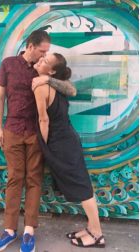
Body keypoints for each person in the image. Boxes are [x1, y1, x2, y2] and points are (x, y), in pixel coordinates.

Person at [0, 30, 76, 252]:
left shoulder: (44, 70)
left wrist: (48, 78)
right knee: (14, 179)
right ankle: (9, 230)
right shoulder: (9, 64)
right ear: (30, 46)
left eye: (47, 53)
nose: (44, 56)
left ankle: (29, 231)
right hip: (12, 130)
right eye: (42, 51)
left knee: (34, 180)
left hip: (37, 133)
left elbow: (70, 89)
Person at [33, 52, 105, 248]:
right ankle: (91, 228)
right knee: (82, 184)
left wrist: (45, 147)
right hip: (68, 139)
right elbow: (69, 89)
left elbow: (43, 120)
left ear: (52, 71)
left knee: (82, 187)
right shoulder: (57, 83)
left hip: (60, 143)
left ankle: (97, 234)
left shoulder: (41, 86)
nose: (40, 60)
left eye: (45, 61)